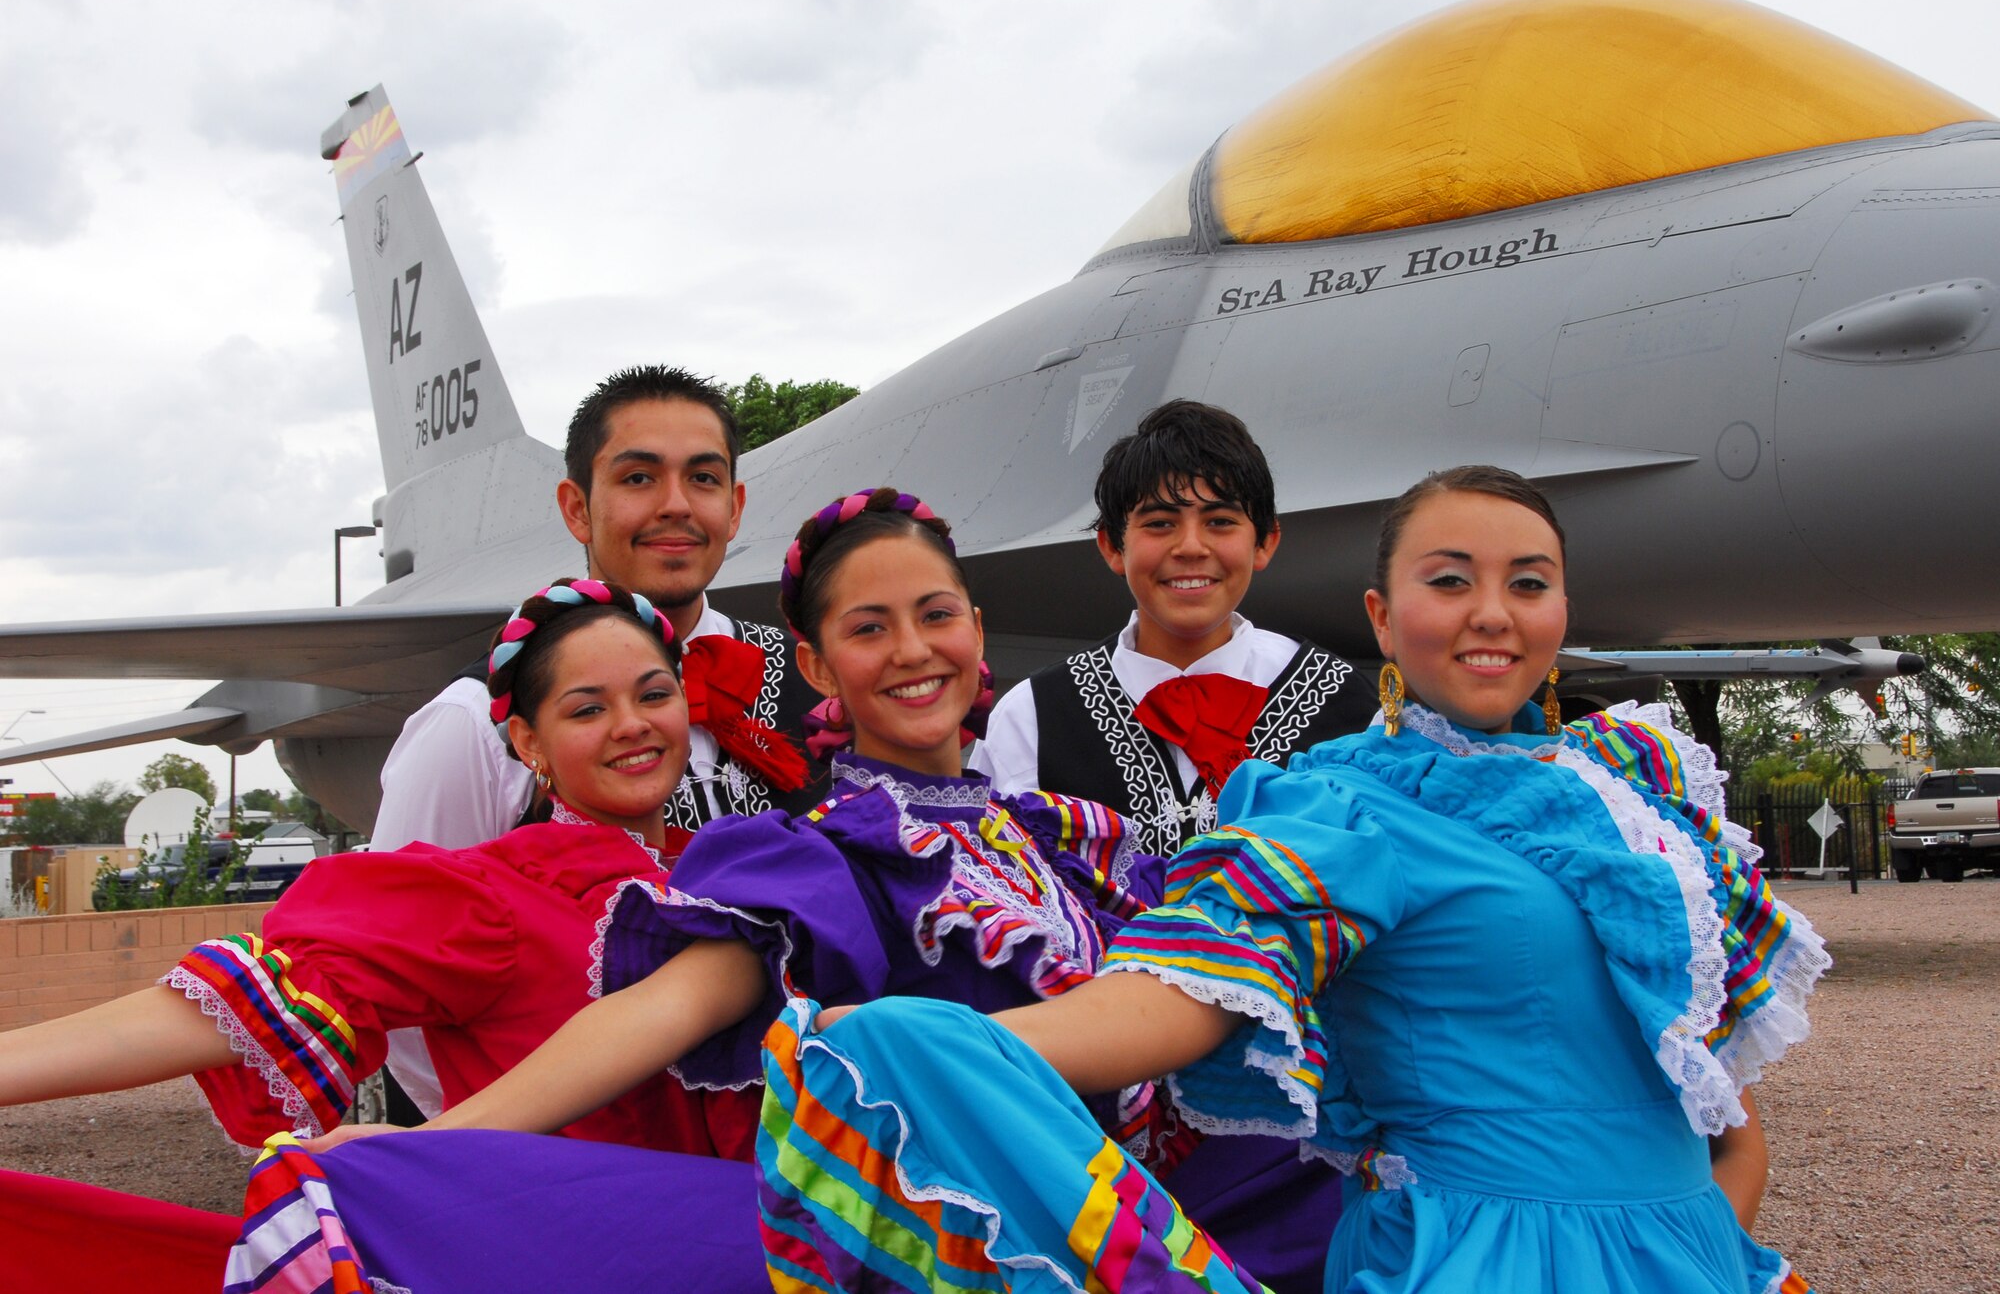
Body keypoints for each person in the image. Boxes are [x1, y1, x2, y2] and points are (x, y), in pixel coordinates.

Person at [219, 489, 1323, 1294]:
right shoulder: (811, 853)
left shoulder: (1090, 840)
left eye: (934, 614)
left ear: (975, 630)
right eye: (866, 627)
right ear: (813, 659)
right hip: (966, 1252)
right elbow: (658, 1011)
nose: (911, 651)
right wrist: (438, 1140)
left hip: (1177, 1215)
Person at [759, 465, 1828, 1294]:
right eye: (1448, 579)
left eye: (1527, 582)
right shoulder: (1347, 806)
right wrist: (933, 1054)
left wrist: (1695, 1229)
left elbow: (1720, 1116)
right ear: (1379, 618)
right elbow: (1183, 991)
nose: (1491, 612)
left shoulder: (1628, 786)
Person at [0, 578, 766, 1292]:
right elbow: (224, 1007)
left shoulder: (723, 882)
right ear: (530, 745)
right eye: (587, 708)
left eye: (653, 694)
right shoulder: (492, 895)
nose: (631, 724)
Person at [372, 364, 821, 1117]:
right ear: (577, 508)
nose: (676, 506)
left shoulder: (809, 690)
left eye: (703, 478)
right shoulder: (474, 725)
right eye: (639, 477)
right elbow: (403, 984)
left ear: (736, 507)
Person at [976, 399, 1377, 865]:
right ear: (1111, 545)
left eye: (1220, 521)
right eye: (1160, 523)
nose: (1190, 547)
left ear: (1265, 541)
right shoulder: (1032, 716)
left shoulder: (1343, 701)